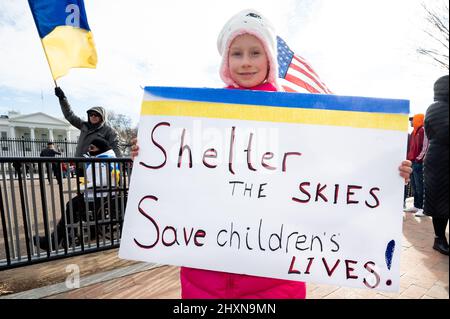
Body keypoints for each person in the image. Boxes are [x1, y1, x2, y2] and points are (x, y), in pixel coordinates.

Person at [130, 9, 413, 299]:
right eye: (236, 53)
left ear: (269, 59)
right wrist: (149, 158)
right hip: (204, 274)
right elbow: (176, 175)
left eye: (255, 52)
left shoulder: (294, 118)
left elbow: (329, 173)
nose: (246, 62)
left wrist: (384, 173)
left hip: (274, 276)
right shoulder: (196, 115)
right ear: (225, 61)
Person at [34, 138, 119, 250]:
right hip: (96, 194)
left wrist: (84, 186)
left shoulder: (103, 161)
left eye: (92, 148)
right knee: (72, 205)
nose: (89, 150)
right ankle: (61, 236)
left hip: (98, 197)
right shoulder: (103, 159)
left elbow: (103, 180)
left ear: (101, 148)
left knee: (71, 206)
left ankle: (55, 240)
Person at [54, 87, 122, 158]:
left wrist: (120, 165)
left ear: (102, 117)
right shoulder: (84, 125)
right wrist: (62, 99)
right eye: (91, 114)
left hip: (96, 166)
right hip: (78, 163)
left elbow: (116, 149)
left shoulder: (109, 131)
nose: (93, 116)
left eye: (96, 115)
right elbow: (69, 115)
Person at [423, 75, 449, 255]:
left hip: (442, 158)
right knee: (440, 202)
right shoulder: (437, 108)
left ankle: (440, 238)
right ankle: (439, 239)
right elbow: (444, 132)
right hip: (439, 160)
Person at [404, 114, 427, 217]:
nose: (411, 122)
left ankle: (422, 208)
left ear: (418, 120)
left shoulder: (423, 130)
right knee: (414, 186)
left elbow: (425, 146)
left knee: (420, 186)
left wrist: (419, 159)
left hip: (418, 162)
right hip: (412, 162)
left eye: (412, 120)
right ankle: (416, 206)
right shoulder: (414, 132)